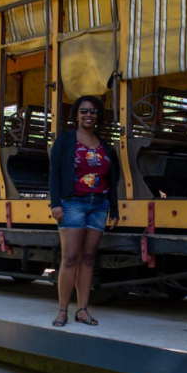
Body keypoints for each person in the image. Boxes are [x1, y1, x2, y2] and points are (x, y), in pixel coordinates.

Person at [49, 95, 120, 327]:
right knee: (70, 258)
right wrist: (55, 203)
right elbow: (55, 173)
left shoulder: (105, 144)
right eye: (84, 111)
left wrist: (114, 209)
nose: (88, 115)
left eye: (93, 112)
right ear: (76, 115)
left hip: (99, 205)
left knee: (88, 258)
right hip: (73, 204)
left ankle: (82, 310)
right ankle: (62, 310)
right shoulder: (66, 141)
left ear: (97, 116)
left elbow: (112, 179)